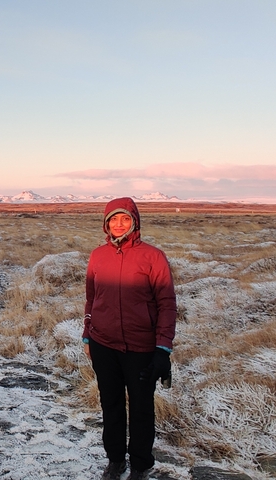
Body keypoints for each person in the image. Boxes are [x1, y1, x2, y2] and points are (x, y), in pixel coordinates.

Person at [82, 197, 177, 480]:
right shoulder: (98, 256)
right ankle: (115, 460)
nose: (119, 224)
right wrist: (88, 335)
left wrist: (162, 349)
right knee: (110, 404)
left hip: (141, 348)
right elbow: (91, 298)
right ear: (106, 224)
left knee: (141, 408)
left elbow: (167, 304)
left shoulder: (153, 257)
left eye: (124, 219)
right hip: (103, 345)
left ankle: (140, 465)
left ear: (134, 221)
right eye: (113, 219)